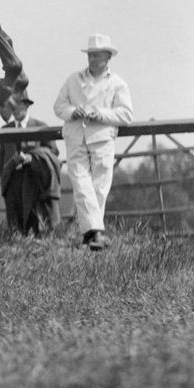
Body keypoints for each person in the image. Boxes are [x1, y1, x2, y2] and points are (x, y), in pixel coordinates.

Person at [53, 34, 133, 251]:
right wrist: (72, 111)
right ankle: (96, 233)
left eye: (97, 56)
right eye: (90, 55)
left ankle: (90, 234)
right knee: (80, 182)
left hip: (102, 138)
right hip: (76, 135)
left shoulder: (117, 84)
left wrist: (100, 114)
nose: (92, 60)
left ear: (108, 57)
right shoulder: (73, 80)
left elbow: (126, 115)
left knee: (100, 185)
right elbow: (59, 106)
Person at [0, 83, 61, 238]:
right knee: (15, 226)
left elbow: (53, 153)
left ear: (26, 105)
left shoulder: (40, 127)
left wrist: (34, 157)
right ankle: (16, 246)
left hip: (35, 182)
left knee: (37, 223)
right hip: (12, 183)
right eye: (12, 106)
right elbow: (2, 161)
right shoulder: (5, 130)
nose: (15, 109)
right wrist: (4, 182)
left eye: (18, 105)